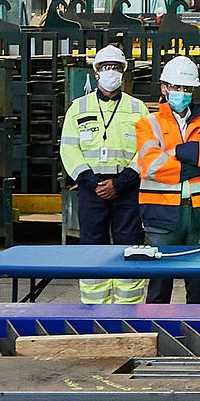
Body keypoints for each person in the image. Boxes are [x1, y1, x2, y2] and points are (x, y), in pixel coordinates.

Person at [132, 54, 200, 304]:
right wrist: (196, 164)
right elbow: (152, 164)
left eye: (187, 88)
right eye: (176, 87)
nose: (182, 92)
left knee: (198, 283)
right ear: (164, 88)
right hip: (162, 214)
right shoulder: (148, 124)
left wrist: (178, 152)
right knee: (160, 282)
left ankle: (199, 334)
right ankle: (156, 333)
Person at [60, 45, 150, 306]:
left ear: (124, 72)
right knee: (92, 248)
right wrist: (90, 180)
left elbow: (146, 150)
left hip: (127, 189)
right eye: (105, 67)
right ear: (96, 73)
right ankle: (93, 307)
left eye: (116, 67)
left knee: (129, 247)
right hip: (91, 190)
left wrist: (122, 182)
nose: (111, 72)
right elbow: (69, 148)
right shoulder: (78, 108)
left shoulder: (138, 109)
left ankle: (129, 309)